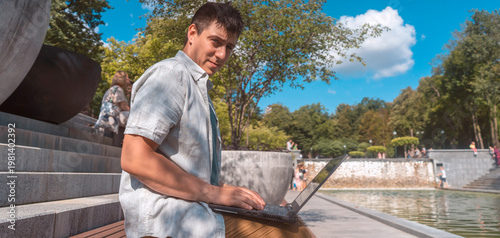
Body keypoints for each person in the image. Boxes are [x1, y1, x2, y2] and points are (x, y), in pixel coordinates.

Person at [119, 3, 313, 237]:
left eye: (229, 47)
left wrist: (227, 190)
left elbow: (185, 167)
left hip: (192, 211)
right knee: (294, 233)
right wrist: (213, 193)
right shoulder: (171, 74)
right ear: (192, 33)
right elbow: (135, 158)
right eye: (216, 42)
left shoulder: (197, 87)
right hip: (167, 221)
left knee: (289, 221)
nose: (222, 55)